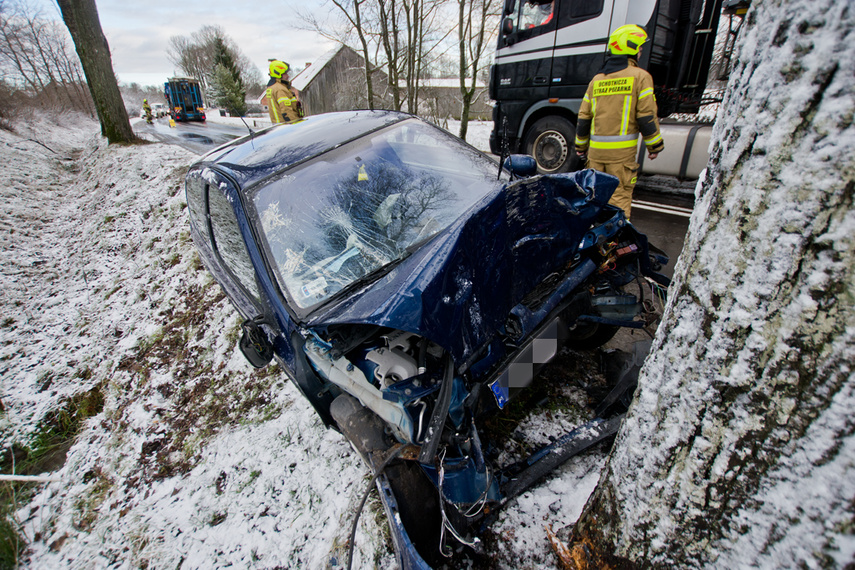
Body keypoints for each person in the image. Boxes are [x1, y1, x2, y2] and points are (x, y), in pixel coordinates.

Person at [574, 24, 664, 220]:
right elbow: (646, 115)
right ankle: (613, 246)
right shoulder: (640, 77)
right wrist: (654, 145)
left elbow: (584, 117)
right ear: (630, 48)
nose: (641, 52)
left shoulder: (596, 80)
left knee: (594, 198)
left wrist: (580, 146)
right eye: (640, 47)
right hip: (621, 158)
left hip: (595, 155)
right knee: (618, 202)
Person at [266, 60, 301, 124]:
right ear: (278, 73)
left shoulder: (272, 87)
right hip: (286, 127)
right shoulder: (280, 89)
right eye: (285, 74)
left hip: (278, 127)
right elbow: (287, 111)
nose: (288, 76)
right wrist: (298, 125)